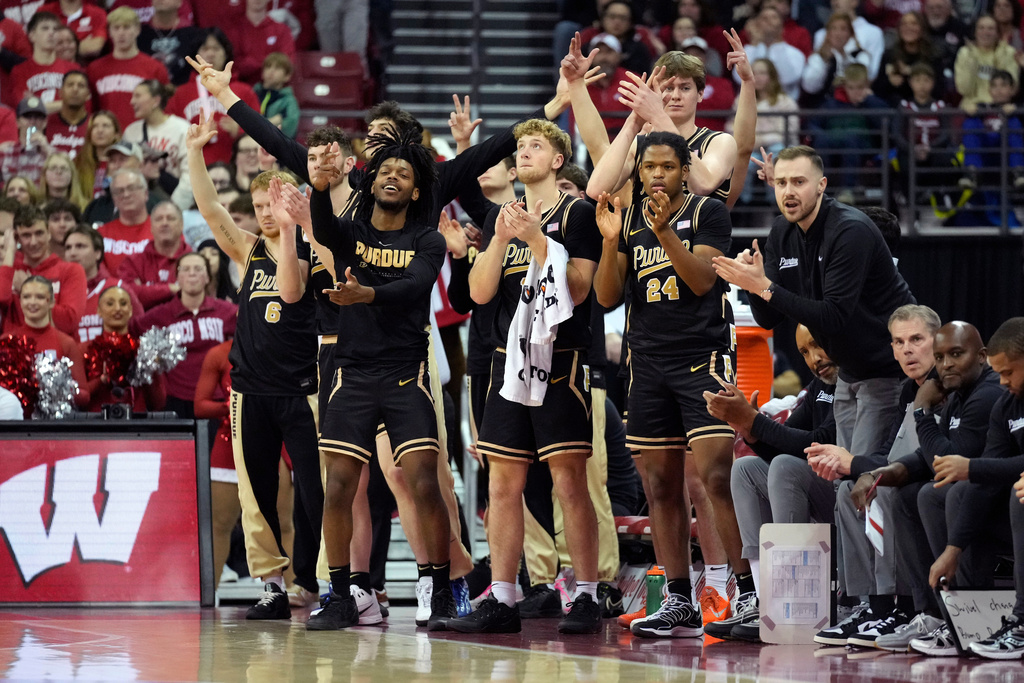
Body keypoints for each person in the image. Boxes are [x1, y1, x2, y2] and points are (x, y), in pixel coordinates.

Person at [449, 119, 603, 636]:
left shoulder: (577, 213)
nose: (524, 153)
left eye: (536, 145)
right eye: (520, 147)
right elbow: (477, 292)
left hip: (562, 360)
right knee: (504, 483)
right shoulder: (501, 214)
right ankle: (505, 595)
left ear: (558, 159)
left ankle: (585, 592)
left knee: (568, 482)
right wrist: (498, 238)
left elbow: (580, 289)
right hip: (507, 359)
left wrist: (538, 242)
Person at [591, 130, 741, 638]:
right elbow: (607, 297)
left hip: (702, 357)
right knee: (659, 485)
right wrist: (611, 242)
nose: (656, 174)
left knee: (716, 478)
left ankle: (742, 590)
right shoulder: (627, 217)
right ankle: (678, 597)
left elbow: (702, 281)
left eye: (667, 167)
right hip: (648, 362)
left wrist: (665, 235)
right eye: (648, 167)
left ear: (684, 170)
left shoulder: (708, 213)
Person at [712, 146, 915, 485]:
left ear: (821, 185)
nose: (788, 191)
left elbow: (833, 315)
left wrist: (765, 287)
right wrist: (752, 284)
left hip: (886, 371)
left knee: (860, 481)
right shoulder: (781, 232)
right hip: (848, 372)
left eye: (798, 182)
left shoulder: (850, 230)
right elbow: (768, 319)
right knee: (841, 484)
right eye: (781, 183)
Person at [187, 111, 321, 621]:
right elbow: (211, 207)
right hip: (249, 390)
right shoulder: (246, 249)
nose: (266, 213)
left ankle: (320, 580)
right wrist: (196, 151)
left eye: (275, 205)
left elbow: (290, 289)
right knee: (256, 493)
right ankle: (271, 584)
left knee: (315, 489)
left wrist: (289, 228)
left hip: (303, 388)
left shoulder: (306, 248)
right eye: (261, 205)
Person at [843, 321, 1003, 653]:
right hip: (975, 494)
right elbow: (922, 457)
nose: (945, 365)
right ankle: (930, 613)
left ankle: (968, 616)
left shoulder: (987, 394)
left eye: (956, 354)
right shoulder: (960, 392)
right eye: (941, 356)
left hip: (1000, 498)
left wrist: (921, 411)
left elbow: (946, 461)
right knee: (904, 494)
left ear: (982, 356)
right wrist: (878, 475)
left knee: (936, 493)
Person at [798, 305, 938, 646]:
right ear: (890, 348)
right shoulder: (908, 390)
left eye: (916, 339)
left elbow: (927, 457)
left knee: (889, 491)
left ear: (937, 340)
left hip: (932, 482)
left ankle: (903, 608)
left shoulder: (945, 386)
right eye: (899, 341)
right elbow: (888, 452)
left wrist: (857, 463)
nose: (907, 349)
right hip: (907, 473)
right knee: (850, 490)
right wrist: (857, 466)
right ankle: (869, 606)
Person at [704, 324, 838, 642]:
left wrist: (756, 422)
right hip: (822, 490)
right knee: (746, 470)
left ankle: (792, 602)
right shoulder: (819, 386)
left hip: (850, 489)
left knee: (785, 467)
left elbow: (822, 440)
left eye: (817, 345)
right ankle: (764, 599)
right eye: (804, 352)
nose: (814, 358)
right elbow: (784, 441)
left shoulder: (853, 380)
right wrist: (750, 429)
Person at [967, 318, 1024, 659]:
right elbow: (990, 469)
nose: (1002, 382)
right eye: (997, 373)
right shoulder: (1006, 404)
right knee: (949, 494)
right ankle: (958, 616)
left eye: (1009, 373)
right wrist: (953, 547)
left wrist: (969, 467)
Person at [133, 249, 236, 419]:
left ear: (208, 277)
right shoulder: (161, 314)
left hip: (215, 398)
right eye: (185, 269)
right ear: (177, 278)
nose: (192, 274)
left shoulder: (226, 311)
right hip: (176, 399)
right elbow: (130, 329)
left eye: (198, 269)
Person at [166, 29, 260, 165]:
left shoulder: (244, 91)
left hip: (235, 168)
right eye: (205, 48)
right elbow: (169, 132)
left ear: (225, 54)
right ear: (196, 54)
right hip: (192, 168)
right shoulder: (180, 94)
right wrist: (194, 133)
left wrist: (240, 131)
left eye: (216, 49)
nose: (210, 54)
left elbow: (261, 132)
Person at [3, 274, 89, 412]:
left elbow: (84, 396)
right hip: (15, 427)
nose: (32, 302)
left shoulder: (66, 343)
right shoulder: (6, 341)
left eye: (40, 297)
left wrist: (57, 388)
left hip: (52, 429)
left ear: (51, 302)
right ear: (20, 301)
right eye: (26, 297)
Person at [0, 204, 85, 335]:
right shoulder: (9, 270)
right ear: (17, 238)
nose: (33, 242)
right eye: (26, 235)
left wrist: (27, 285)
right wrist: (10, 250)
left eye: (39, 233)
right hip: (14, 351)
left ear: (49, 233)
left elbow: (69, 322)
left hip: (55, 351)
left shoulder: (71, 270)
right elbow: (1, 298)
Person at [82, 284, 166, 413]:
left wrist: (151, 371)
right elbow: (79, 397)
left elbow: (159, 402)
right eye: (110, 304)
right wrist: (101, 380)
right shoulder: (85, 348)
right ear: (99, 310)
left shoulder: (143, 349)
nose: (117, 309)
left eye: (123, 303)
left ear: (131, 310)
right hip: (97, 425)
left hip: (136, 424)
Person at [63, 223, 144, 342]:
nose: (72, 253)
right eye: (68, 248)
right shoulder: (60, 292)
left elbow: (140, 330)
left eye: (80, 246)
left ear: (98, 253)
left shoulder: (119, 288)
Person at [733, 57, 799, 205]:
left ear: (772, 76)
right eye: (754, 73)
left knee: (776, 154)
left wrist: (758, 140)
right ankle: (743, 204)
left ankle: (776, 202)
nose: (758, 77)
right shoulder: (741, 101)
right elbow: (732, 128)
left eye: (763, 73)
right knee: (744, 162)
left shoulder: (785, 101)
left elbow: (789, 131)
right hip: (750, 148)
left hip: (778, 147)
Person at [122, 79, 193, 212]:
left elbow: (190, 175)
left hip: (172, 201)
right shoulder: (131, 132)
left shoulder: (182, 129)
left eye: (138, 96)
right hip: (139, 205)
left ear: (156, 101)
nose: (132, 102)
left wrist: (175, 208)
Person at [117, 200, 191, 309]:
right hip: (145, 324)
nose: (164, 223)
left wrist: (146, 290)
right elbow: (127, 295)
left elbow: (196, 297)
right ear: (151, 227)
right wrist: (171, 289)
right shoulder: (133, 262)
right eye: (159, 219)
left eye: (170, 218)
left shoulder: (195, 260)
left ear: (181, 225)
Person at [7, 11, 79, 109]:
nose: (51, 33)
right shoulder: (19, 71)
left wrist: (36, 103)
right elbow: (24, 108)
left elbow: (80, 105)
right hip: (34, 124)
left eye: (55, 29)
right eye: (45, 28)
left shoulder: (74, 69)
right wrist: (66, 104)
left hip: (67, 124)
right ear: (32, 35)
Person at [801, 13, 872, 108]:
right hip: (825, 107)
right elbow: (809, 87)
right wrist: (824, 63)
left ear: (850, 34)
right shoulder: (819, 58)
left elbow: (863, 82)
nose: (838, 34)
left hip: (854, 106)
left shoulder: (857, 57)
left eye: (843, 29)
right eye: (833, 29)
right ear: (828, 34)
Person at [874, 12, 944, 105]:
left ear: (922, 28)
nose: (908, 28)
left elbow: (940, 90)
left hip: (926, 108)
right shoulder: (890, 55)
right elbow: (877, 89)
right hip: (896, 108)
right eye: (904, 24)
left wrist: (914, 75)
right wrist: (890, 82)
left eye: (914, 24)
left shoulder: (933, 56)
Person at [738, 6, 806, 100]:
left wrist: (778, 43)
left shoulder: (795, 54)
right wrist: (755, 43)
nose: (769, 21)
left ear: (782, 25)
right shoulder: (748, 50)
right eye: (764, 18)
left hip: (784, 107)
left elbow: (788, 78)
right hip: (752, 105)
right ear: (757, 24)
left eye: (773, 17)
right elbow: (739, 78)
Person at [954, 14, 1019, 111]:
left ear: (997, 33)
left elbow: (1012, 88)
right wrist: (973, 61)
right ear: (975, 32)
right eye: (981, 28)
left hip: (1001, 108)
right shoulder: (965, 53)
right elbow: (963, 89)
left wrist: (1001, 56)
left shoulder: (1008, 52)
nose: (986, 32)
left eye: (990, 29)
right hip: (972, 108)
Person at [224, 0, 297, 86]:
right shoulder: (233, 31)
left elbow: (286, 64)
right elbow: (230, 64)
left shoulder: (282, 31)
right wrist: (266, 62)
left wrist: (251, 63)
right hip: (239, 89)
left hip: (272, 90)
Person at [137, 0, 206, 86]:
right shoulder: (139, 34)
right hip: (147, 91)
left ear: (180, 2)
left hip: (183, 92)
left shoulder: (194, 35)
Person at [812, 0, 885, 80]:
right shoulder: (821, 35)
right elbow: (811, 84)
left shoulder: (872, 32)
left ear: (854, 2)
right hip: (827, 89)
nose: (834, 2)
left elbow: (872, 73)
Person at [97, 168, 152, 273]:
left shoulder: (163, 230)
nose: (126, 195)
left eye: (131, 188)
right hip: (112, 288)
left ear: (146, 194)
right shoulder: (101, 234)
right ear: (113, 199)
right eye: (119, 191)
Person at [0, 96, 53, 185]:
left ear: (45, 122)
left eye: (38, 117)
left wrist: (47, 150)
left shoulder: (55, 154)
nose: (32, 121)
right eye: (27, 117)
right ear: (17, 122)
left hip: (42, 198)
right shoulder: (5, 153)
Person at [74, 111, 122, 201]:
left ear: (116, 134)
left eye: (106, 126)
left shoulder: (123, 163)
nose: (100, 130)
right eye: (95, 126)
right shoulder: (79, 162)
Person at [36, 0, 106, 59]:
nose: (65, 46)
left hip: (84, 69)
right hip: (50, 69)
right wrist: (80, 44)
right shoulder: (44, 12)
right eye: (60, 43)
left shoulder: (98, 14)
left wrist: (55, 47)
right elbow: (39, 46)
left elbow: (95, 46)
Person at [44, 70, 90, 160]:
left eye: (81, 86)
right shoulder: (46, 123)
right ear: (60, 93)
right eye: (70, 85)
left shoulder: (94, 124)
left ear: (88, 94)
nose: (75, 89)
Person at [253, 52, 299, 139]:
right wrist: (274, 121)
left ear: (287, 76)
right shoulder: (252, 93)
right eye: (268, 67)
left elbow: (289, 130)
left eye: (277, 68)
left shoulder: (289, 100)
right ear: (262, 73)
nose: (271, 71)